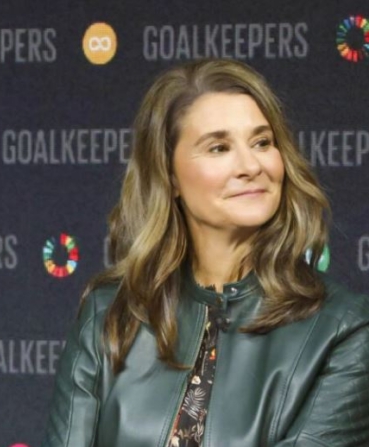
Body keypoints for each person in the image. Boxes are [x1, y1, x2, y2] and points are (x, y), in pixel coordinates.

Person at [42, 59, 369, 447]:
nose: (251, 166)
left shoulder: (342, 329)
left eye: (262, 142)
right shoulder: (109, 314)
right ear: (170, 175)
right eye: (218, 147)